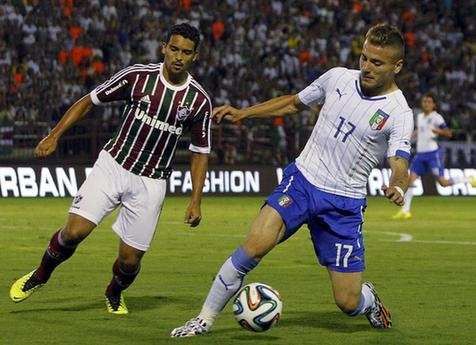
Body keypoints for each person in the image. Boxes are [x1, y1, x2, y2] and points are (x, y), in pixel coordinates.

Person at [171, 23, 411, 337]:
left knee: (348, 302)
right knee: (252, 247)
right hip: (302, 182)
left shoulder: (399, 112)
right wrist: (244, 113)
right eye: (364, 58)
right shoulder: (337, 77)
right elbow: (293, 102)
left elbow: (399, 159)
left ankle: (370, 301)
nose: (366, 67)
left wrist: (397, 183)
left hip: (343, 204)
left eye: (376, 63)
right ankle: (203, 319)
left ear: (397, 66)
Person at [10, 23, 212, 315]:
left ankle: (114, 291)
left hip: (151, 181)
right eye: (175, 49)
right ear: (164, 48)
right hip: (114, 165)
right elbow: (88, 101)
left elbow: (200, 153)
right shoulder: (137, 77)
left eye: (187, 52)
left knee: (130, 262)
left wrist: (195, 200)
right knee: (74, 233)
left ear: (196, 56)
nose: (179, 57)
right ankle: (40, 275)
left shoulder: (199, 101)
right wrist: (54, 135)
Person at [393, 93, 476, 219]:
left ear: (434, 105)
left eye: (429, 102)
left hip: (433, 154)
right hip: (420, 155)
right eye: (424, 101)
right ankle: (405, 211)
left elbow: (449, 133)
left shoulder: (437, 118)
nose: (426, 104)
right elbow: (420, 131)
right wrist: (413, 135)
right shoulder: (420, 116)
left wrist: (439, 131)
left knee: (443, 183)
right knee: (409, 181)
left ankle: (468, 180)